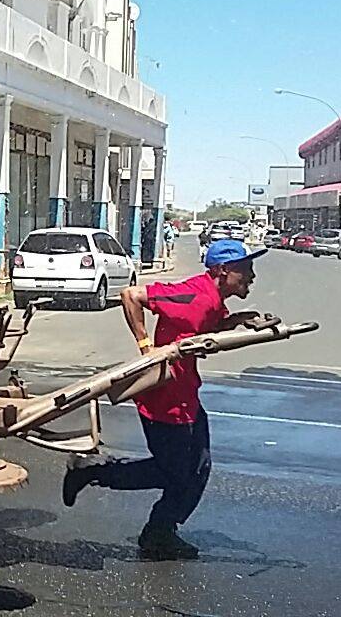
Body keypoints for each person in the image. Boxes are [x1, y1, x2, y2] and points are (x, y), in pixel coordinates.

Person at [61, 239, 265, 560]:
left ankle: (161, 531)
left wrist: (239, 321)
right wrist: (146, 348)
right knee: (174, 472)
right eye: (246, 270)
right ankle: (93, 471)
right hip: (165, 399)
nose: (252, 276)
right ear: (223, 270)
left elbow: (201, 328)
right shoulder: (195, 294)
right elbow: (131, 295)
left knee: (198, 466)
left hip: (187, 396)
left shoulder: (212, 299)